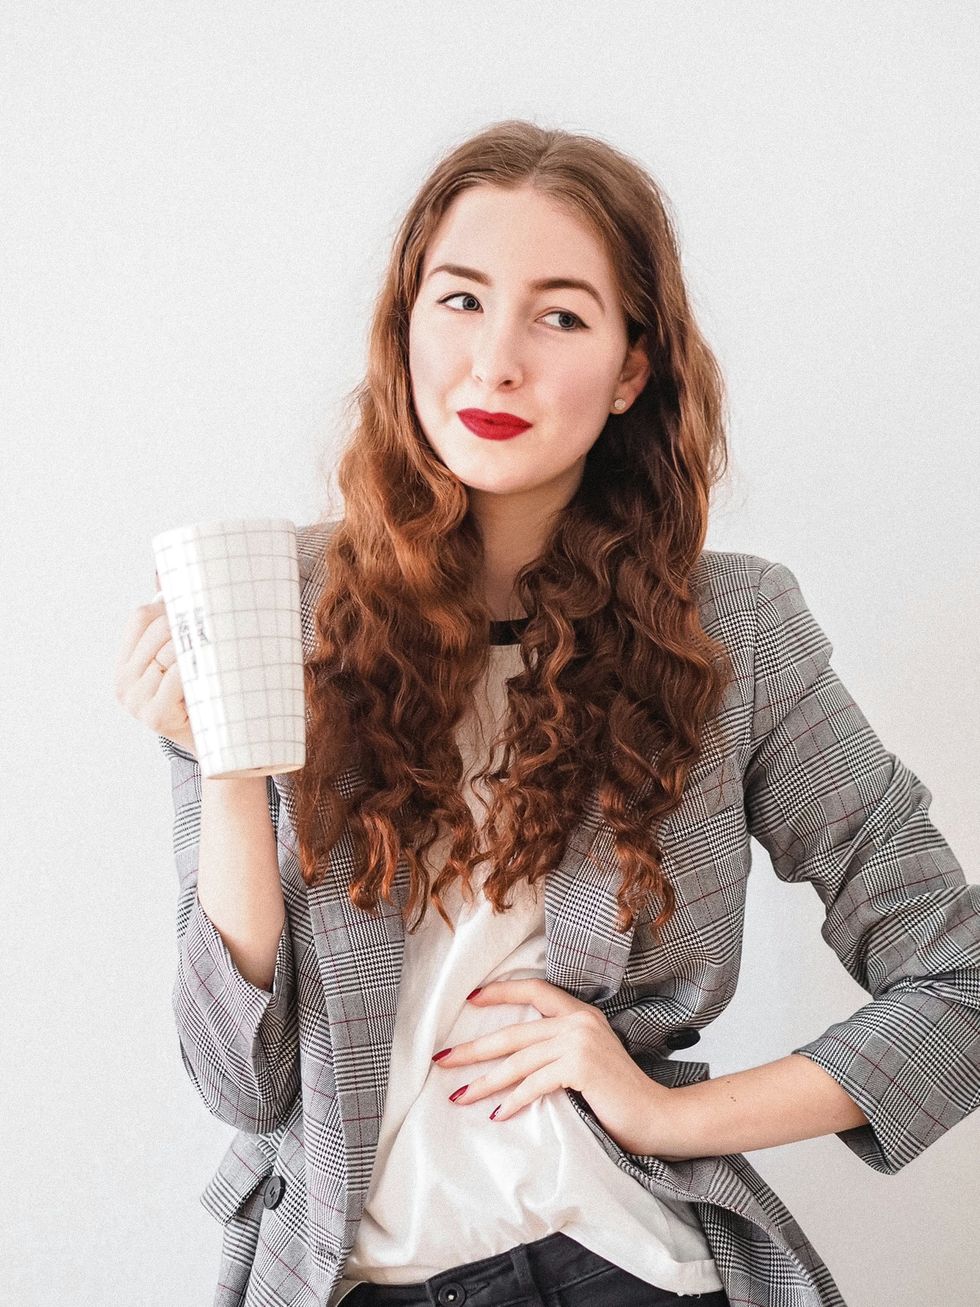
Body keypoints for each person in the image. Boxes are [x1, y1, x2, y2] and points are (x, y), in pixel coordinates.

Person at [115, 120, 980, 1307]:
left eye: (559, 316)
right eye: (460, 300)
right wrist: (223, 767)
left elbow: (957, 979)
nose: (495, 362)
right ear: (404, 325)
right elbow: (240, 1081)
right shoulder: (273, 605)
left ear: (631, 368)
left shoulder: (733, 628)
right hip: (349, 1277)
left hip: (619, 1262)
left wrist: (661, 1111)